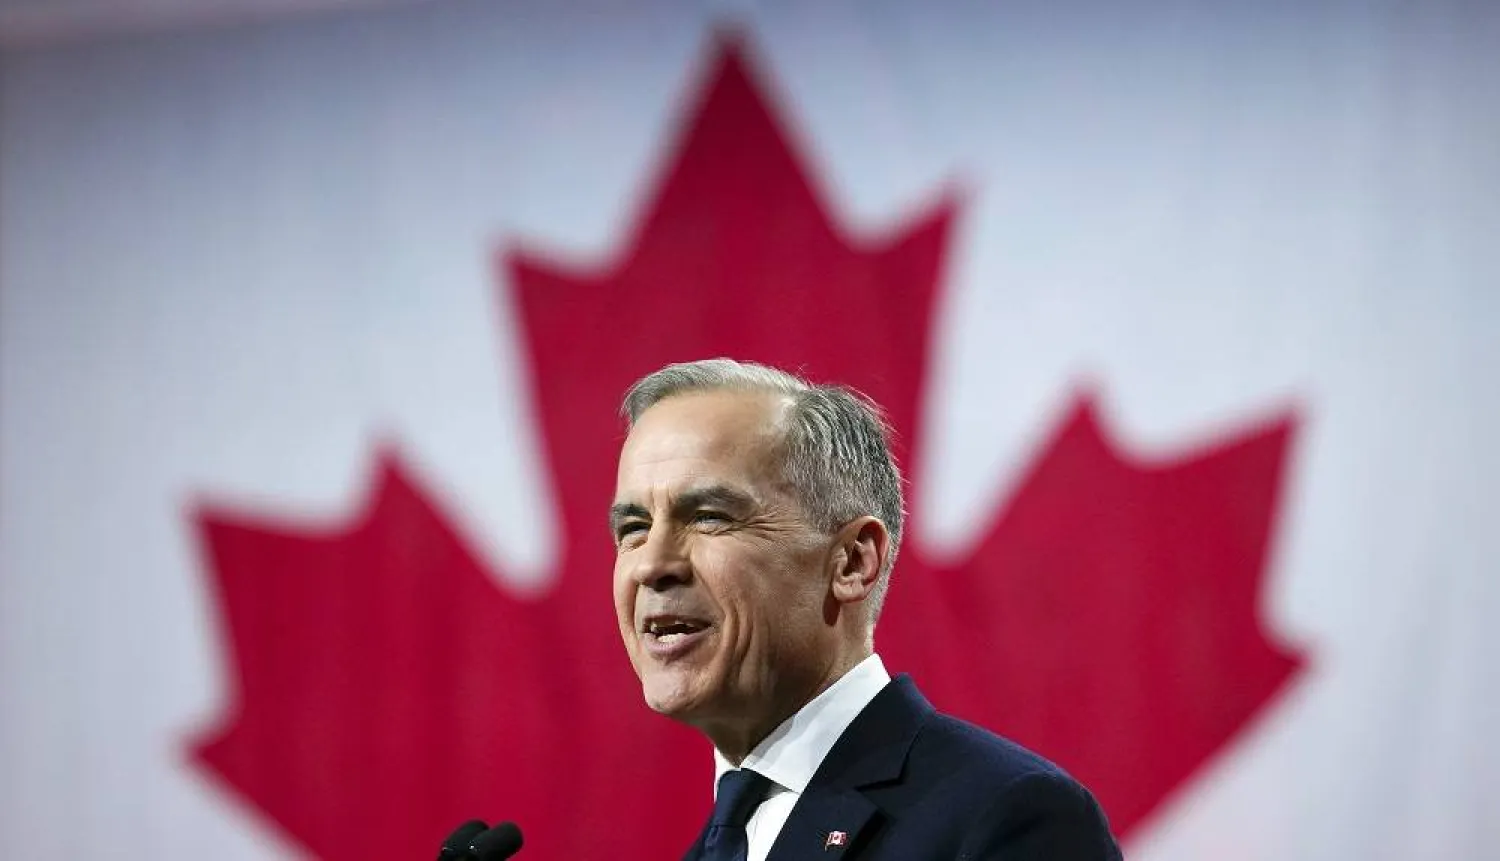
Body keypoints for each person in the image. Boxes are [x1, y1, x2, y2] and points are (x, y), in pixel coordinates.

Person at [610, 358, 1123, 861]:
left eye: (708, 517)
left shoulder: (1007, 817)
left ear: (853, 562)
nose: (651, 564)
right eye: (633, 529)